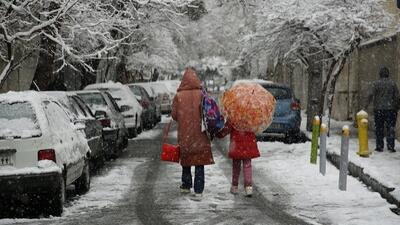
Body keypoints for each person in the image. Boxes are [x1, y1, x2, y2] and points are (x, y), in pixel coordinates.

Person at [171, 68, 214, 199]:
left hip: (185, 134)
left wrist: (184, 118)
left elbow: (174, 115)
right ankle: (199, 189)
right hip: (201, 133)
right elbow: (209, 112)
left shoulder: (179, 96)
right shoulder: (202, 94)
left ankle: (186, 185)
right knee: (199, 161)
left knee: (186, 159)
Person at [216, 120, 260, 197]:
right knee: (247, 165)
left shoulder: (234, 114)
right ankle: (248, 187)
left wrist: (219, 134)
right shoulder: (251, 115)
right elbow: (256, 128)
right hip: (248, 144)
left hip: (236, 144)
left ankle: (234, 186)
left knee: (236, 166)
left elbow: (226, 129)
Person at [365, 66, 400, 153]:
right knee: (390, 128)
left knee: (379, 128)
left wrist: (365, 105)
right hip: (391, 110)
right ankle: (390, 146)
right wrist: (397, 106)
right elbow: (397, 97)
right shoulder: (393, 84)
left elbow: (370, 95)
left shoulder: (376, 84)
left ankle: (379, 146)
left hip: (378, 109)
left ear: (380, 74)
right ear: (388, 74)